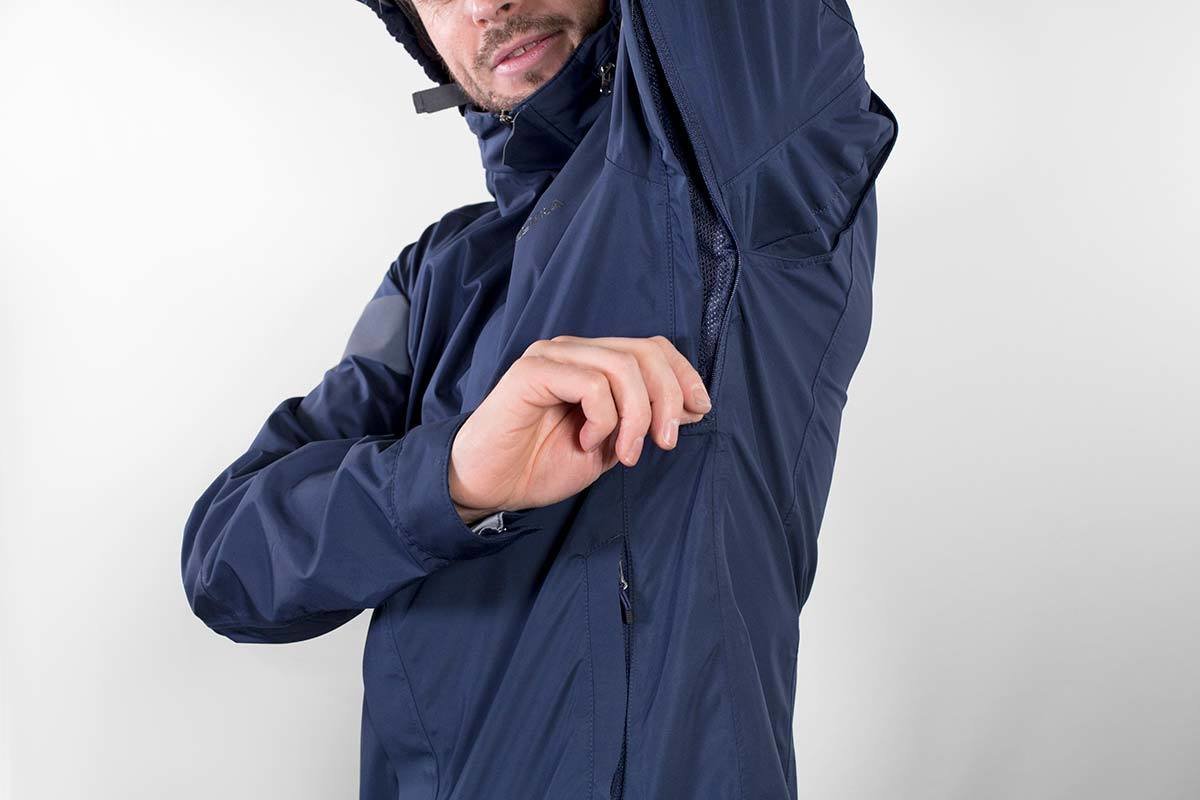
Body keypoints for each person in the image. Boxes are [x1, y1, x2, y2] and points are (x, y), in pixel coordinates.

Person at [179, 0, 898, 797]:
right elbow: (227, 565)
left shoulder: (737, 150)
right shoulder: (433, 275)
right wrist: (453, 480)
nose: (485, 4)